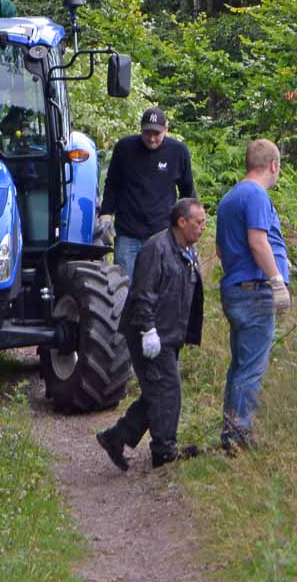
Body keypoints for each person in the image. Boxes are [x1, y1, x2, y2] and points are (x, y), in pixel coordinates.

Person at [97, 196, 206, 471]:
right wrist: (148, 330)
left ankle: (116, 437)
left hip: (170, 334)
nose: (203, 227)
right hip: (149, 333)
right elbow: (143, 293)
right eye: (199, 222)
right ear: (182, 222)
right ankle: (164, 450)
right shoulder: (156, 249)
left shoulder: (188, 250)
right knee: (168, 390)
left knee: (157, 390)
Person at [213, 138, 291, 454]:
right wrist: (277, 281)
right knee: (251, 368)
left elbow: (221, 250)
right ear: (273, 165)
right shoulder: (256, 195)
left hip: (236, 289)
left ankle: (231, 430)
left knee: (240, 366)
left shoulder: (229, 198)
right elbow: (258, 242)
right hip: (254, 292)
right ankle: (238, 437)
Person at [102, 107, 195, 277]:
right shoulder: (124, 148)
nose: (151, 138)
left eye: (156, 134)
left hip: (162, 234)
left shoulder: (178, 152)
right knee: (125, 285)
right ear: (141, 129)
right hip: (128, 233)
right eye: (147, 133)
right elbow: (112, 184)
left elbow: (187, 192)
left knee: (161, 283)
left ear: (166, 130)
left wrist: (189, 225)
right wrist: (106, 213)